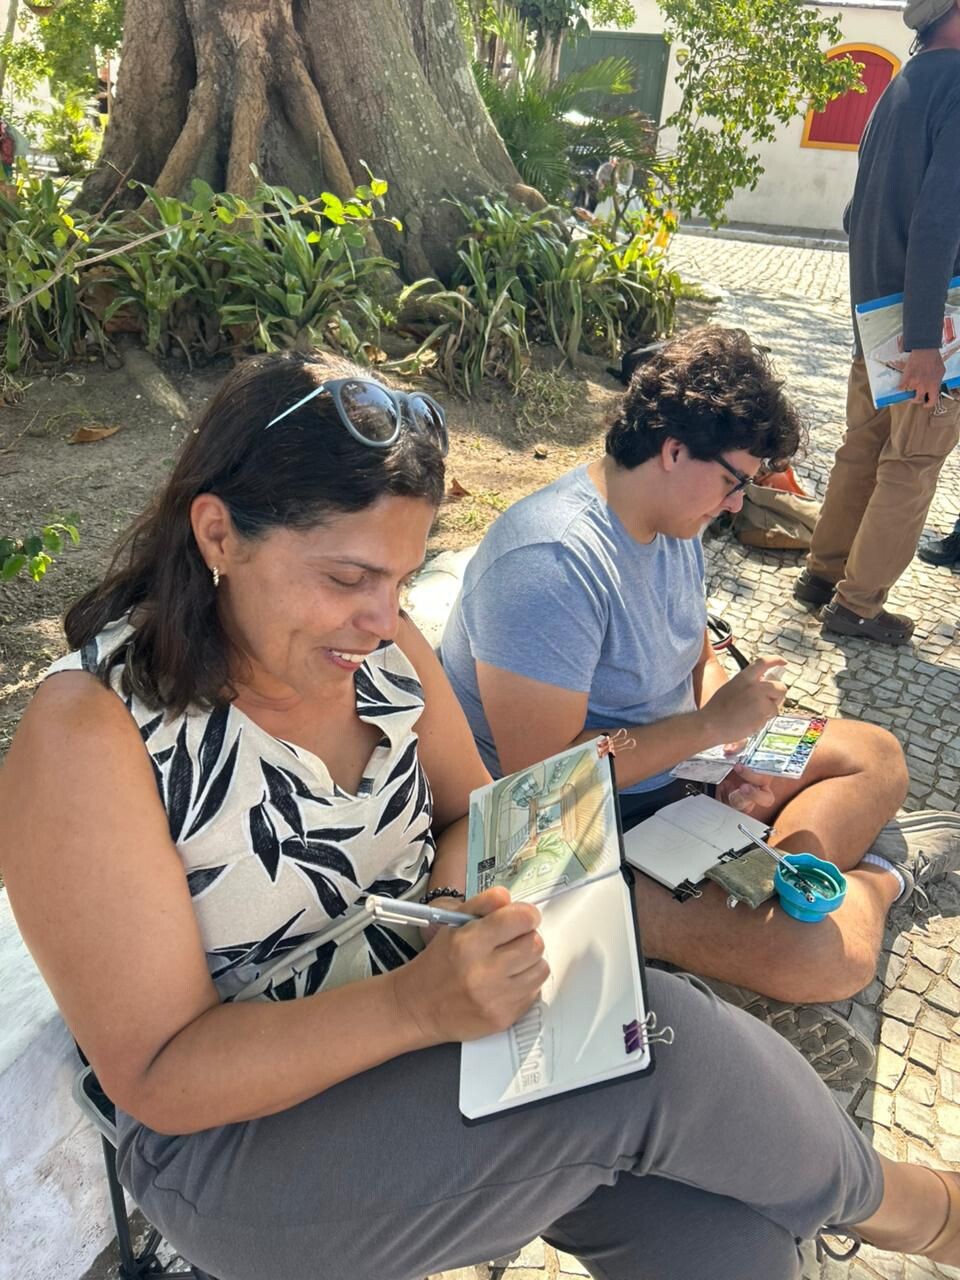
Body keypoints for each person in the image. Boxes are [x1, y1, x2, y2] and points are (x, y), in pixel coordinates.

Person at [2, 349, 959, 1280]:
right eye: (347, 578)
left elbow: (477, 812)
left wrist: (460, 910)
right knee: (655, 1044)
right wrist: (414, 1005)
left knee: (723, 1241)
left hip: (427, 1030)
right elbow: (159, 1076)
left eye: (400, 578)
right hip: (242, 1147)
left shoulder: (380, 651)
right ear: (218, 534)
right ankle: (920, 1213)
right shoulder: (92, 732)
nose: (381, 617)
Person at [441, 327, 960, 1020]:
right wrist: (709, 728)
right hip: (576, 830)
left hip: (681, 772)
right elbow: (542, 779)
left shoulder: (671, 522)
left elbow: (697, 656)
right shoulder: (551, 564)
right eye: (735, 481)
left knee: (876, 754)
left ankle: (754, 882)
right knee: (830, 958)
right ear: (674, 450)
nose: (739, 504)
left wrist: (737, 747)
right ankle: (881, 874)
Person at [795, 0, 960, 644]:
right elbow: (939, 221)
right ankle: (858, 605)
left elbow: (855, 209)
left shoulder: (901, 84)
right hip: (930, 323)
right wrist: (923, 341)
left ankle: (822, 573)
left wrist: (876, 306)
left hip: (876, 309)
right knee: (911, 463)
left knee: (861, 447)